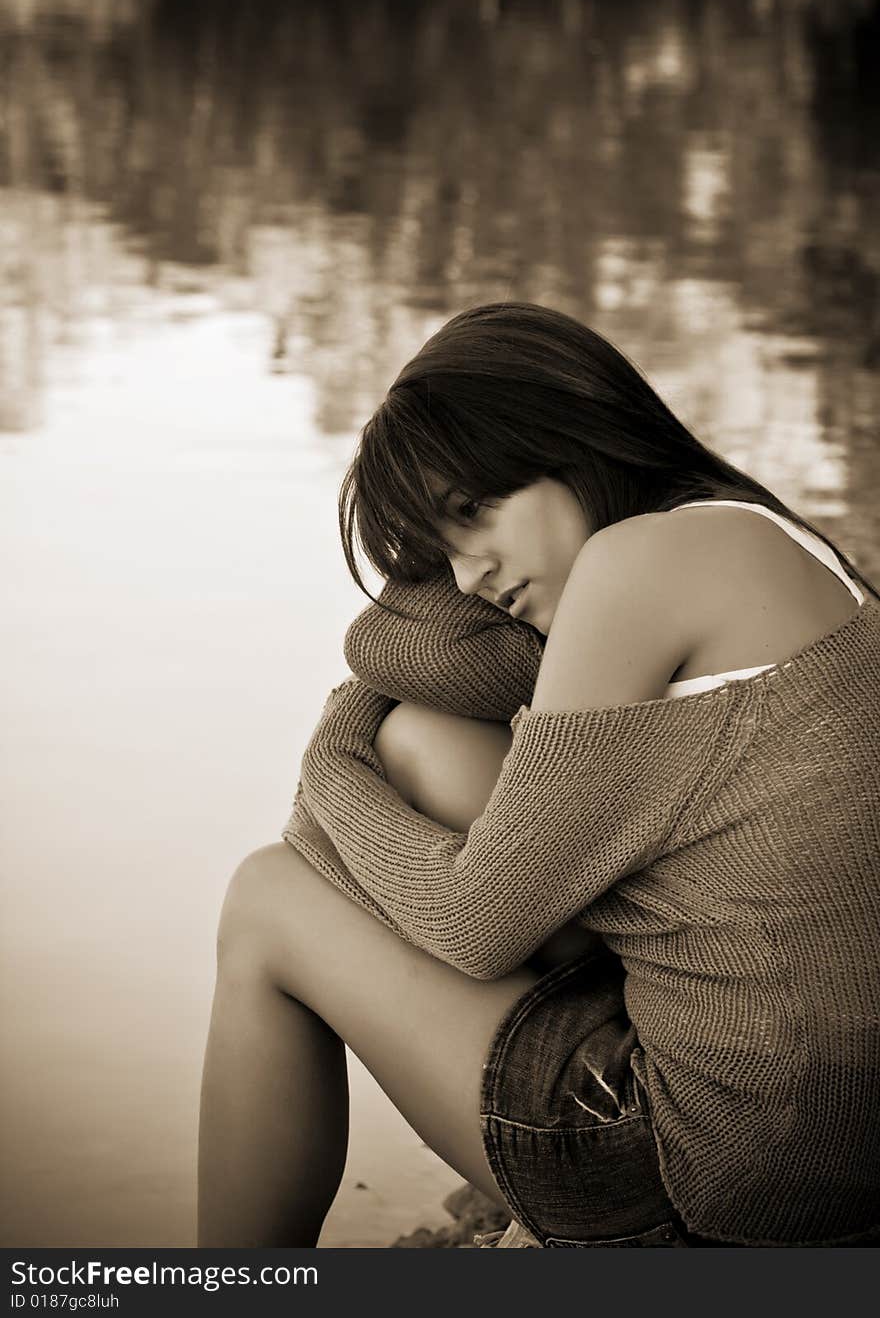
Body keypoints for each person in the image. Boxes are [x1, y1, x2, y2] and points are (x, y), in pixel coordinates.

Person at [197, 302, 880, 1248]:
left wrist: (331, 757)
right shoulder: (761, 538)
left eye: (474, 510)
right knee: (430, 742)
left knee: (266, 899)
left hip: (727, 1187)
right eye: (438, 553)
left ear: (570, 436)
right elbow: (417, 658)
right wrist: (444, 550)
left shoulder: (632, 567)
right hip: (832, 1159)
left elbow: (475, 929)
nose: (467, 575)